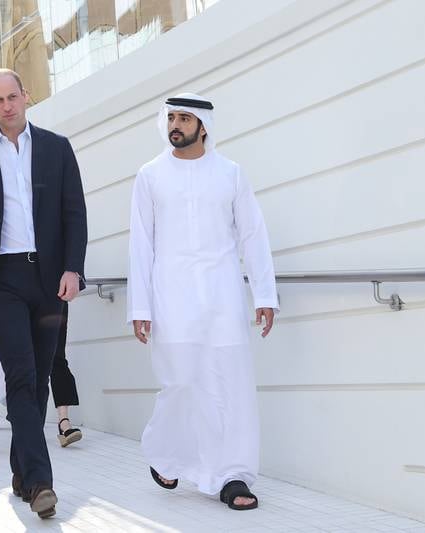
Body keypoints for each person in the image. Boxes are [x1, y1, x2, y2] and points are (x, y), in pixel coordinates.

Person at [127, 94, 279, 511]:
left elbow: (253, 234)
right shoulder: (150, 175)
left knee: (231, 385)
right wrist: (139, 307)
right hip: (169, 297)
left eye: (184, 118)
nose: (175, 124)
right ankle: (168, 453)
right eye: (171, 117)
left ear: (204, 125)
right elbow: (141, 244)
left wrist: (264, 293)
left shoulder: (230, 174)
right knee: (181, 383)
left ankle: (232, 476)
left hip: (223, 295)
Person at [0, 68, 87, 519]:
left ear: (26, 96)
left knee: (43, 374)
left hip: (49, 278)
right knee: (21, 376)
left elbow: (74, 213)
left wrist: (73, 269)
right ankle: (40, 483)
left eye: (13, 96)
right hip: (3, 279)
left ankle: (19, 466)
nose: (7, 106)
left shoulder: (56, 147)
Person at [51, 305, 82, 447]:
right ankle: (27, 422)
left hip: (54, 295)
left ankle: (64, 422)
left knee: (57, 358)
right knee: (27, 362)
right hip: (19, 297)